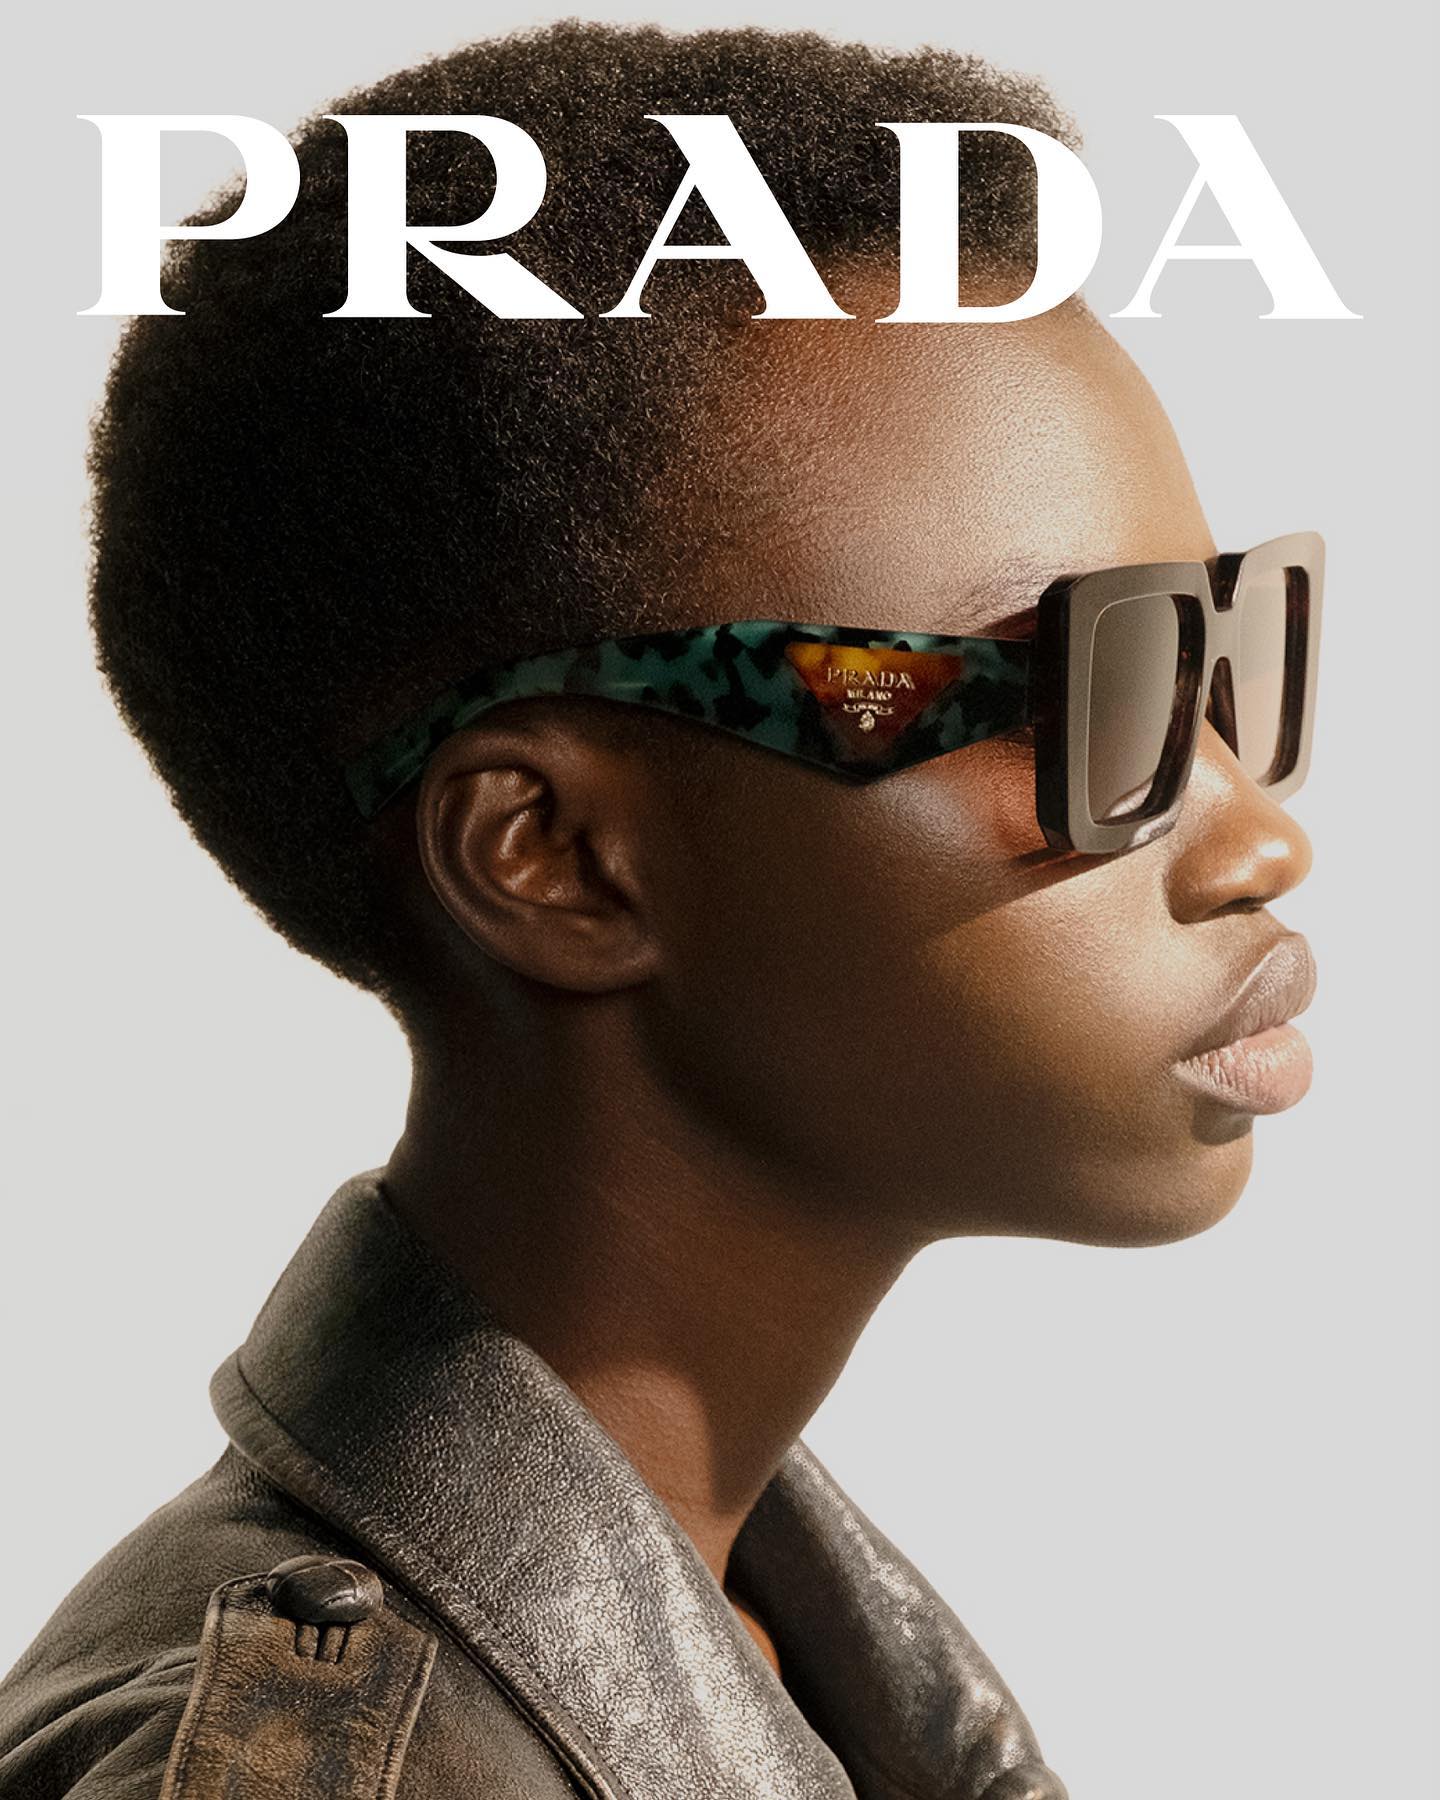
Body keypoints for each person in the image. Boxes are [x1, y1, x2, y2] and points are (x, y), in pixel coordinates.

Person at [0, 21, 1321, 1799]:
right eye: (1089, 691)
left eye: (1216, 649)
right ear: (552, 856)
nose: (1255, 836)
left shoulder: (791, 1653)